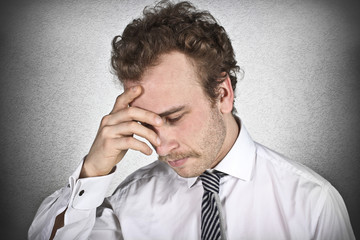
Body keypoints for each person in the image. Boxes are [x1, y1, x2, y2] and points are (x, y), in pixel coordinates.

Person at [28, 1, 355, 239]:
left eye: (174, 117)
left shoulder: (313, 204)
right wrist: (93, 171)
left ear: (223, 94)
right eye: (148, 124)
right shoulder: (129, 205)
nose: (162, 146)